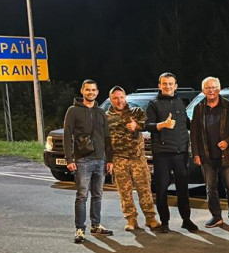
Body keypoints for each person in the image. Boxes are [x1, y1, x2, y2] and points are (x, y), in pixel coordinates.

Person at [145, 72, 198, 233]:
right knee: (161, 189)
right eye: (164, 83)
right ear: (159, 85)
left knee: (183, 189)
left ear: (175, 86)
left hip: (180, 153)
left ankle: (186, 220)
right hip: (162, 154)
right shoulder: (153, 104)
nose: (167, 86)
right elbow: (148, 125)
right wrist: (163, 125)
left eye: (170, 84)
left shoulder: (180, 102)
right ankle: (165, 222)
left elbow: (187, 125)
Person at [63, 79, 114, 243]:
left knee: (98, 195)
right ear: (82, 91)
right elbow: (67, 135)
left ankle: (96, 225)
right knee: (82, 195)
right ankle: (79, 229)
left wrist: (110, 159)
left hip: (100, 160)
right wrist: (69, 158)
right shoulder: (73, 111)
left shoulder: (101, 112)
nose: (90, 92)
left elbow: (107, 137)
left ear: (97, 92)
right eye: (87, 90)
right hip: (82, 160)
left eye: (93, 90)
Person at [105, 86, 161, 232]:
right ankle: (131, 219)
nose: (119, 101)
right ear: (111, 99)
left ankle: (150, 218)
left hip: (137, 158)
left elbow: (147, 125)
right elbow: (104, 140)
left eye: (121, 97)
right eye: (115, 98)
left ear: (125, 97)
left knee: (145, 189)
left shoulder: (136, 112)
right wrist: (108, 160)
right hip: (119, 159)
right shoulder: (106, 117)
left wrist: (137, 126)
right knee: (124, 191)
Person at [190, 76, 229, 228]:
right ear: (203, 90)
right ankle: (216, 217)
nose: (211, 90)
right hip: (207, 157)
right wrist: (196, 154)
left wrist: (228, 142)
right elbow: (194, 133)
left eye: (214, 87)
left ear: (219, 89)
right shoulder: (199, 108)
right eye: (208, 88)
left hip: (226, 155)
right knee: (210, 189)